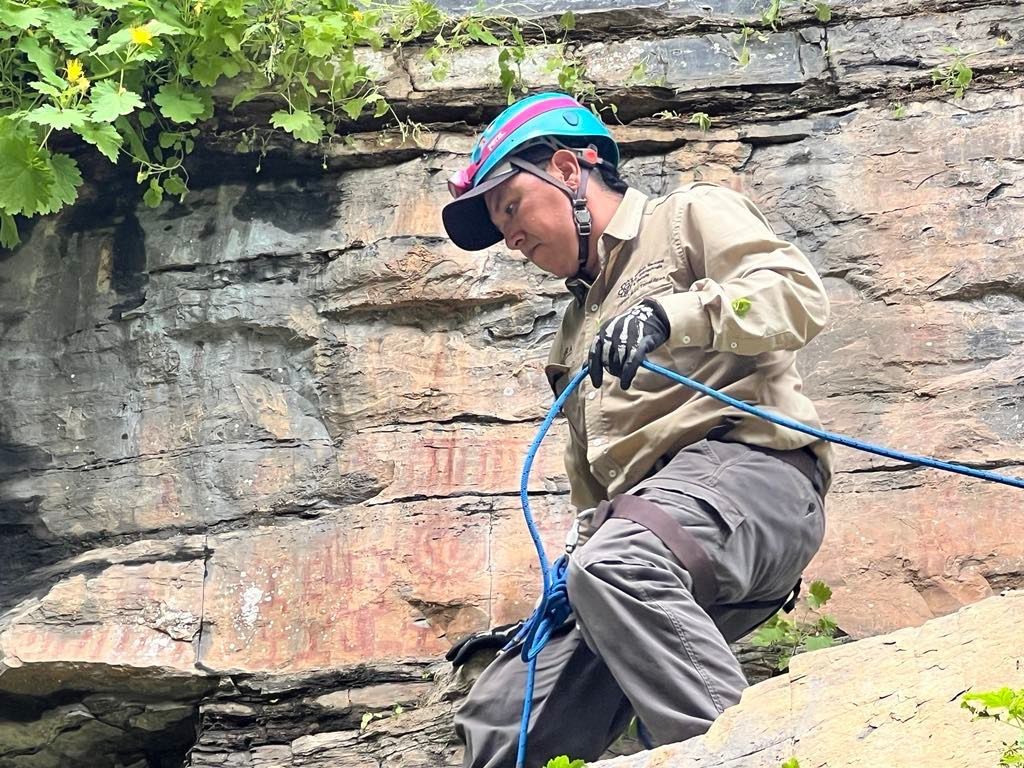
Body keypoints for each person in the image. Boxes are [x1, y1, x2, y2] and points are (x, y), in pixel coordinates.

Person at [441, 92, 832, 768]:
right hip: (646, 533)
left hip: (756, 479)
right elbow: (595, 488)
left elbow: (797, 297)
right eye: (499, 224)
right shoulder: (572, 337)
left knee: (618, 565)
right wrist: (572, 580)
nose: (510, 236)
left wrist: (675, 314)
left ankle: (743, 758)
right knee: (503, 713)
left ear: (567, 169)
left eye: (510, 207)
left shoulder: (687, 215)